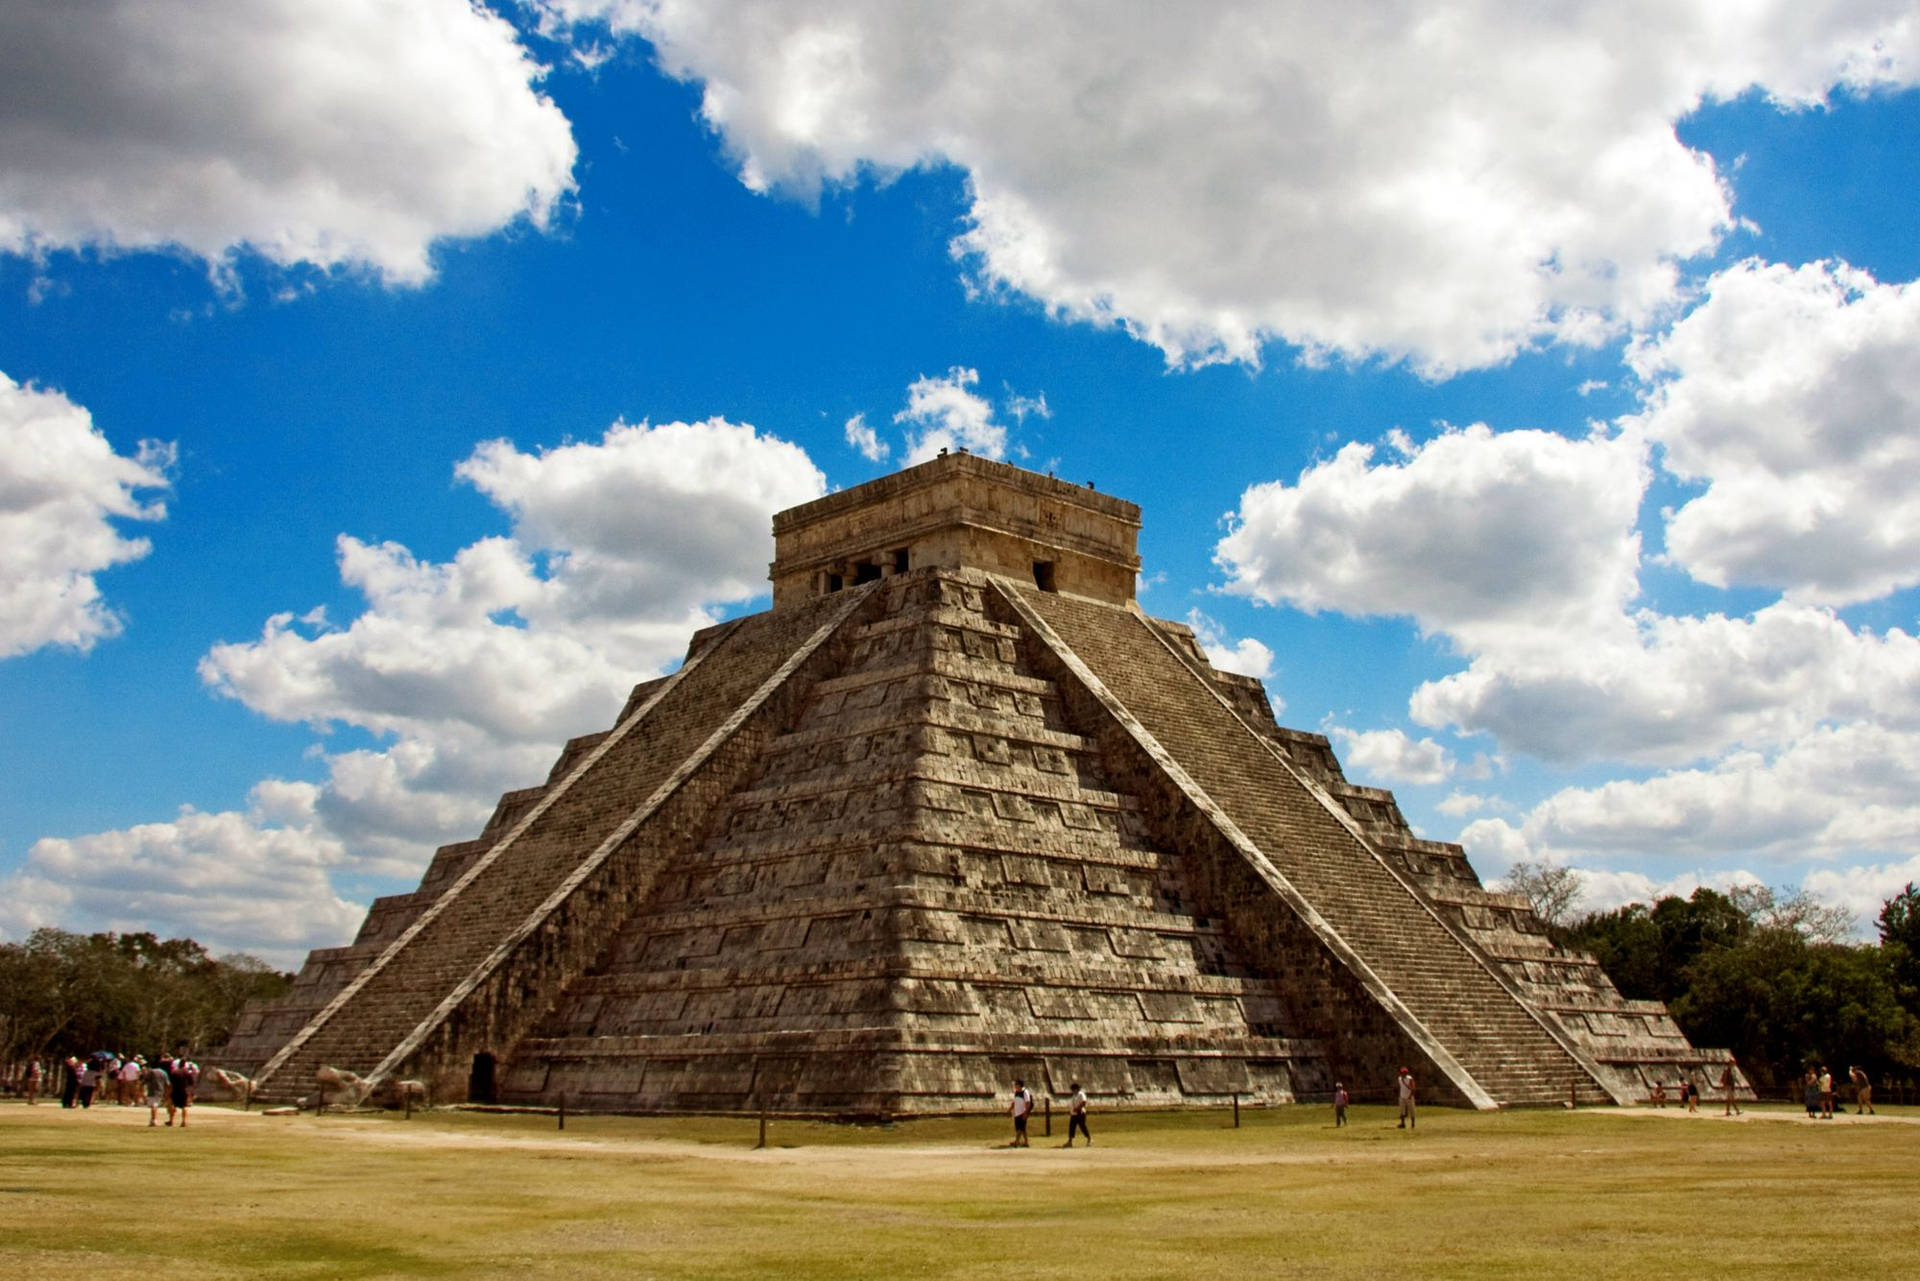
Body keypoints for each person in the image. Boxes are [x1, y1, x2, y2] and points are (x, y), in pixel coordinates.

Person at [144, 1058, 171, 1128]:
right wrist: (167, 1092)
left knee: (154, 1105)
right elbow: (167, 1084)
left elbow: (145, 1080)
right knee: (154, 1105)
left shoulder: (151, 1072)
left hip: (152, 1090)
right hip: (160, 1090)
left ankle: (154, 1120)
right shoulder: (163, 1072)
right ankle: (152, 1119)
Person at [1065, 1081, 1091, 1147]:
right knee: (1071, 1127)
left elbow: (1084, 1102)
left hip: (1080, 1113)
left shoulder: (1081, 1094)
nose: (1072, 1091)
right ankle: (1070, 1141)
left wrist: (1077, 1108)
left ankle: (1089, 1139)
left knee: (1082, 1126)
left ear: (1077, 1089)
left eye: (1073, 1089)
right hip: (1074, 1114)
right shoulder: (1074, 1096)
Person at [1008, 1079, 1032, 1148]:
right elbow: (1014, 1102)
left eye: (1016, 1084)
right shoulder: (1016, 1092)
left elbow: (1028, 1103)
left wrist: (1026, 1112)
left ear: (1019, 1085)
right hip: (1017, 1113)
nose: (1015, 1086)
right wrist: (1010, 1109)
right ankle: (1026, 1142)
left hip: (1023, 1112)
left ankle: (1016, 1142)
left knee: (1020, 1129)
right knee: (1022, 1129)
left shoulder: (1025, 1092)